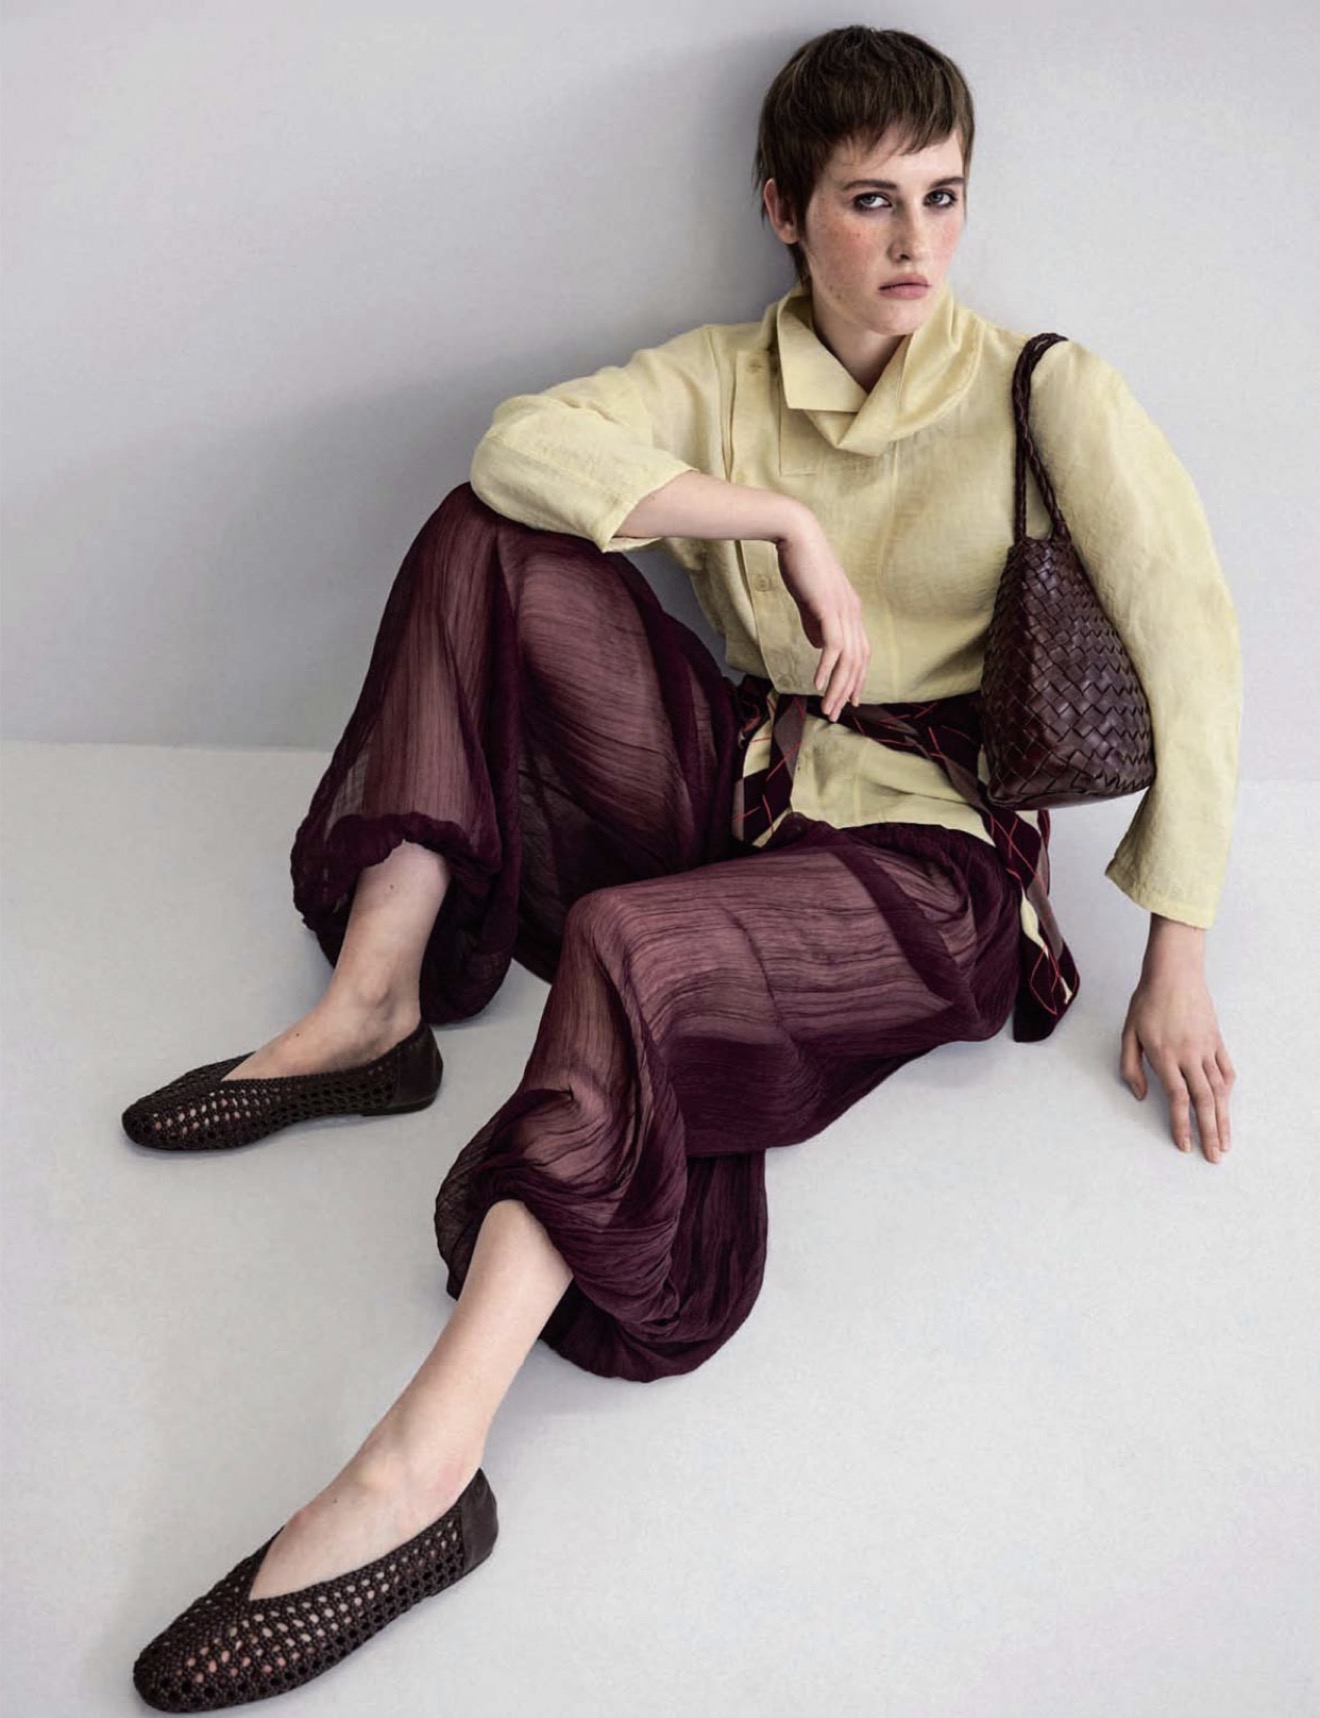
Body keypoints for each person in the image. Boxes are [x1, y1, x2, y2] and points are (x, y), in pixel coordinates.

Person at [124, 24, 1242, 1710]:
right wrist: (773, 521)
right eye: (871, 202)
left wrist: (1179, 947)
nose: (917, 243)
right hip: (744, 782)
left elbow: (1197, 649)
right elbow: (519, 447)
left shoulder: (1041, 387)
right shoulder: (729, 374)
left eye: (943, 197)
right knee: (483, 534)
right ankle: (373, 1007)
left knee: (630, 948)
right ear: (784, 209)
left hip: (926, 868)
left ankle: (423, 1465)